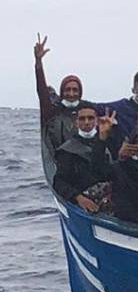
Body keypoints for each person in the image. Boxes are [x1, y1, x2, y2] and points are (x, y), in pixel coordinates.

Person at [33, 34, 84, 185]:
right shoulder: (52, 112)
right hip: (61, 166)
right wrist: (38, 63)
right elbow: (42, 91)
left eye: (75, 90)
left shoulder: (86, 112)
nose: (71, 94)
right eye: (67, 90)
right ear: (62, 93)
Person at [53, 106, 118, 213]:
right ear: (76, 122)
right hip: (84, 201)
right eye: (82, 119)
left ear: (96, 121)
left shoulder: (109, 143)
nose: (86, 122)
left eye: (90, 118)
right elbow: (59, 182)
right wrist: (78, 198)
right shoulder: (67, 150)